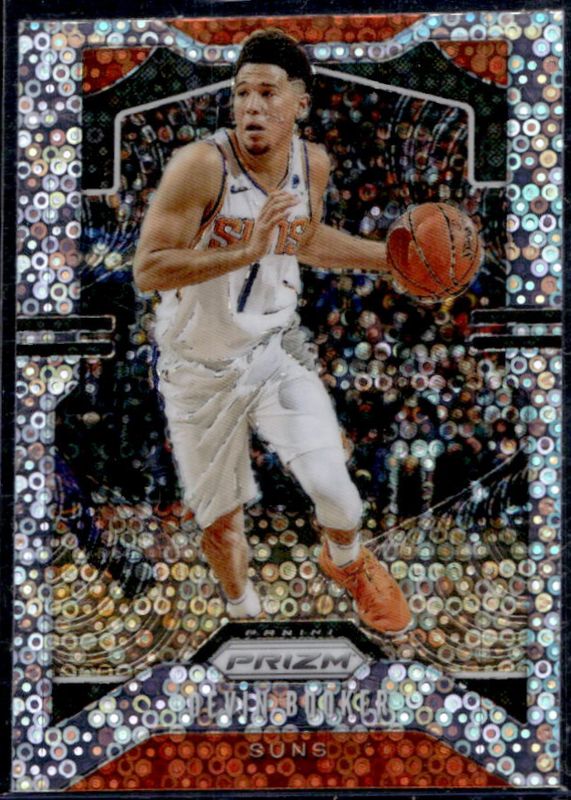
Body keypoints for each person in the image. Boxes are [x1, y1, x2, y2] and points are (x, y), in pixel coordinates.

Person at [134, 28, 411, 634]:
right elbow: (148, 269)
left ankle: (348, 563)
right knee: (221, 527)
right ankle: (243, 613)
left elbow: (304, 240)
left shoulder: (312, 164)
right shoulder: (201, 166)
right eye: (241, 93)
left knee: (336, 490)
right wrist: (247, 249)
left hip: (270, 352)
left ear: (300, 103)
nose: (252, 106)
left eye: (267, 92)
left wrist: (389, 259)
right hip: (196, 369)